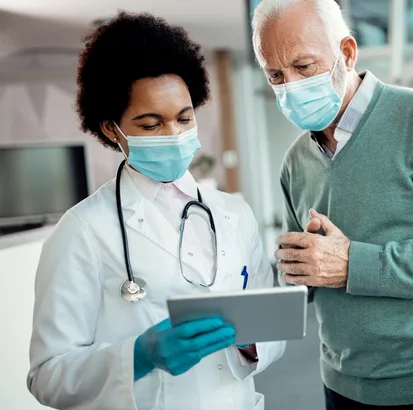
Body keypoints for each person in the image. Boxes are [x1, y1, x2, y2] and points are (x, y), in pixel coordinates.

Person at [252, 0, 413, 408]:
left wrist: (352, 264)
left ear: (347, 52)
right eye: (275, 74)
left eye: (303, 66)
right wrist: (293, 274)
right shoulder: (295, 161)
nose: (290, 85)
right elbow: (307, 280)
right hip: (341, 385)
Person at [27, 12, 284, 410]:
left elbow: (271, 329)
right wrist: (137, 357)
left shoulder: (234, 213)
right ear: (112, 129)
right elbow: (47, 376)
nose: (174, 135)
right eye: (150, 125)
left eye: (184, 118)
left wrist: (251, 343)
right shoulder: (81, 231)